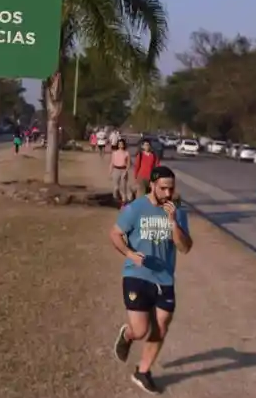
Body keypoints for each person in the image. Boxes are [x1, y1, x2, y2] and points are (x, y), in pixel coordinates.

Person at [109, 165, 193, 394]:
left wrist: (174, 222)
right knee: (140, 330)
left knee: (162, 326)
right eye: (163, 188)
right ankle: (128, 335)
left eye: (171, 189)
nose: (168, 194)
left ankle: (143, 371)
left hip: (164, 278)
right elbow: (115, 234)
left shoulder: (178, 212)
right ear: (153, 185)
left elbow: (185, 248)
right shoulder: (135, 209)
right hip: (137, 274)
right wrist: (128, 253)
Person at [110, 138, 131, 205]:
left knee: (123, 186)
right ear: (118, 145)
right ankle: (115, 198)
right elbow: (112, 163)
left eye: (122, 144)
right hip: (116, 169)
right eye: (119, 144)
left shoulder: (126, 153)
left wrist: (126, 171)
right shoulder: (114, 153)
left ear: (124, 145)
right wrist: (110, 172)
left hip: (123, 170)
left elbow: (128, 164)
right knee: (116, 187)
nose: (120, 145)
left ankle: (124, 200)